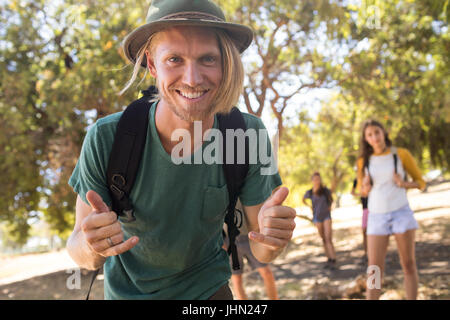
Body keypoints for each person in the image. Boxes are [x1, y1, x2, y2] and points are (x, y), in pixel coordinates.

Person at [66, 0, 296, 300]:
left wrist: (273, 238)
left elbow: (262, 250)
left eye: (208, 59)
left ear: (226, 63)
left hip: (208, 292)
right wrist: (90, 245)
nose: (192, 79)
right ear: (151, 64)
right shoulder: (107, 138)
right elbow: (78, 248)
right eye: (174, 59)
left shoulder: (247, 135)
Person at [356, 119, 426, 300]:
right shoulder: (364, 161)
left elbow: (421, 182)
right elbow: (361, 192)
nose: (374, 137)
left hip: (401, 212)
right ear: (366, 139)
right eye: (369, 135)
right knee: (374, 268)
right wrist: (365, 187)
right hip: (376, 216)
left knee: (408, 264)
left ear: (383, 132)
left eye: (376, 132)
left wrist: (404, 183)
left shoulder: (401, 154)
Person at [222, 201, 278, 300]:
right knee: (237, 279)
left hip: (250, 237)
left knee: (267, 273)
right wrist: (221, 241)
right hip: (230, 242)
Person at [302, 172, 337, 269]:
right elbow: (303, 199)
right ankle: (328, 258)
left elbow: (331, 199)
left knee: (328, 238)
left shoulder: (325, 190)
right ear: (312, 180)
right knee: (323, 239)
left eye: (318, 179)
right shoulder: (310, 192)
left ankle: (333, 259)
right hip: (317, 217)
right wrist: (310, 207)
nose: (317, 181)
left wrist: (330, 206)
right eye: (315, 179)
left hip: (326, 216)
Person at [351, 177, 369, 265]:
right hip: (365, 209)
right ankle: (366, 253)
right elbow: (352, 192)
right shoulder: (356, 180)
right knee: (365, 232)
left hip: (374, 208)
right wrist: (361, 194)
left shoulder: (369, 176)